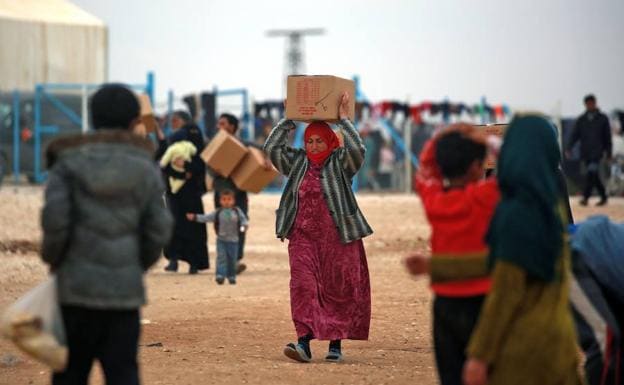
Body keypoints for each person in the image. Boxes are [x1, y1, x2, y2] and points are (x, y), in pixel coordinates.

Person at [41, 84, 173, 385]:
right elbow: (158, 229)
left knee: (69, 374)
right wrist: (133, 265)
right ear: (133, 122)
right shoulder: (145, 167)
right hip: (123, 296)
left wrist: (56, 261)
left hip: (74, 292)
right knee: (123, 373)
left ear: (93, 117)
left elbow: (54, 222)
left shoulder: (68, 161)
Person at [463, 114, 582, 385]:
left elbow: (504, 292)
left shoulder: (510, 193)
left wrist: (479, 355)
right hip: (557, 333)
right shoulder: (553, 177)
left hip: (520, 342)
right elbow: (567, 224)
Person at [263, 92, 372, 363]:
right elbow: (272, 149)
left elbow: (358, 150)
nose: (312, 145)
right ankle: (303, 343)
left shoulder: (340, 163)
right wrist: (288, 121)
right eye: (309, 140)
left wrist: (344, 120)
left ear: (330, 142)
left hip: (338, 238)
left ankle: (335, 344)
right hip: (302, 237)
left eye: (318, 140)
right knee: (303, 286)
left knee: (337, 288)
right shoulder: (297, 162)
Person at [404, 124, 500, 385]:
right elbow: (518, 173)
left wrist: (443, 135)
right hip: (483, 300)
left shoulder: (435, 201)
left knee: (450, 375)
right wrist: (491, 140)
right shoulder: (485, 198)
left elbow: (425, 171)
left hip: (445, 302)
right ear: (475, 168)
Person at [209, 113, 270, 274]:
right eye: (218, 123)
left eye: (222, 123)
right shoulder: (214, 145)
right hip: (223, 192)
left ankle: (235, 259)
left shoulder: (244, 144)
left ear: (232, 126)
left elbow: (263, 150)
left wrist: (266, 160)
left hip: (239, 192)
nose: (218, 127)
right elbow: (209, 167)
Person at [161, 117, 209, 275]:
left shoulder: (195, 148)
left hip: (191, 194)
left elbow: (199, 167)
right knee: (174, 226)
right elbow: (166, 165)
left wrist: (188, 167)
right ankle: (173, 259)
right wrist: (182, 174)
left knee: (192, 226)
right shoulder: (173, 146)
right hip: (175, 194)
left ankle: (193, 263)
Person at [186, 189, 249, 285]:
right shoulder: (218, 212)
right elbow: (206, 217)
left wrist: (244, 226)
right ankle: (220, 275)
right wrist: (195, 217)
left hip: (234, 241)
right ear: (220, 201)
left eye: (229, 199)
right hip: (221, 240)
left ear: (233, 201)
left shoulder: (237, 211)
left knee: (232, 259)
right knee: (221, 258)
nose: (227, 202)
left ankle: (231, 276)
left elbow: (244, 220)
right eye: (224, 199)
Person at [566, 94, 612, 206]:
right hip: (585, 152)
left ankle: (586, 198)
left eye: (592, 103)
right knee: (593, 175)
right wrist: (569, 148)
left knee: (592, 173)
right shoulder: (581, 120)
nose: (590, 105)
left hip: (597, 152)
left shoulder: (602, 119)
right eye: (588, 103)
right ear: (585, 104)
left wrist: (609, 152)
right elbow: (574, 135)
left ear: (595, 103)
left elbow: (607, 137)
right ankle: (603, 197)